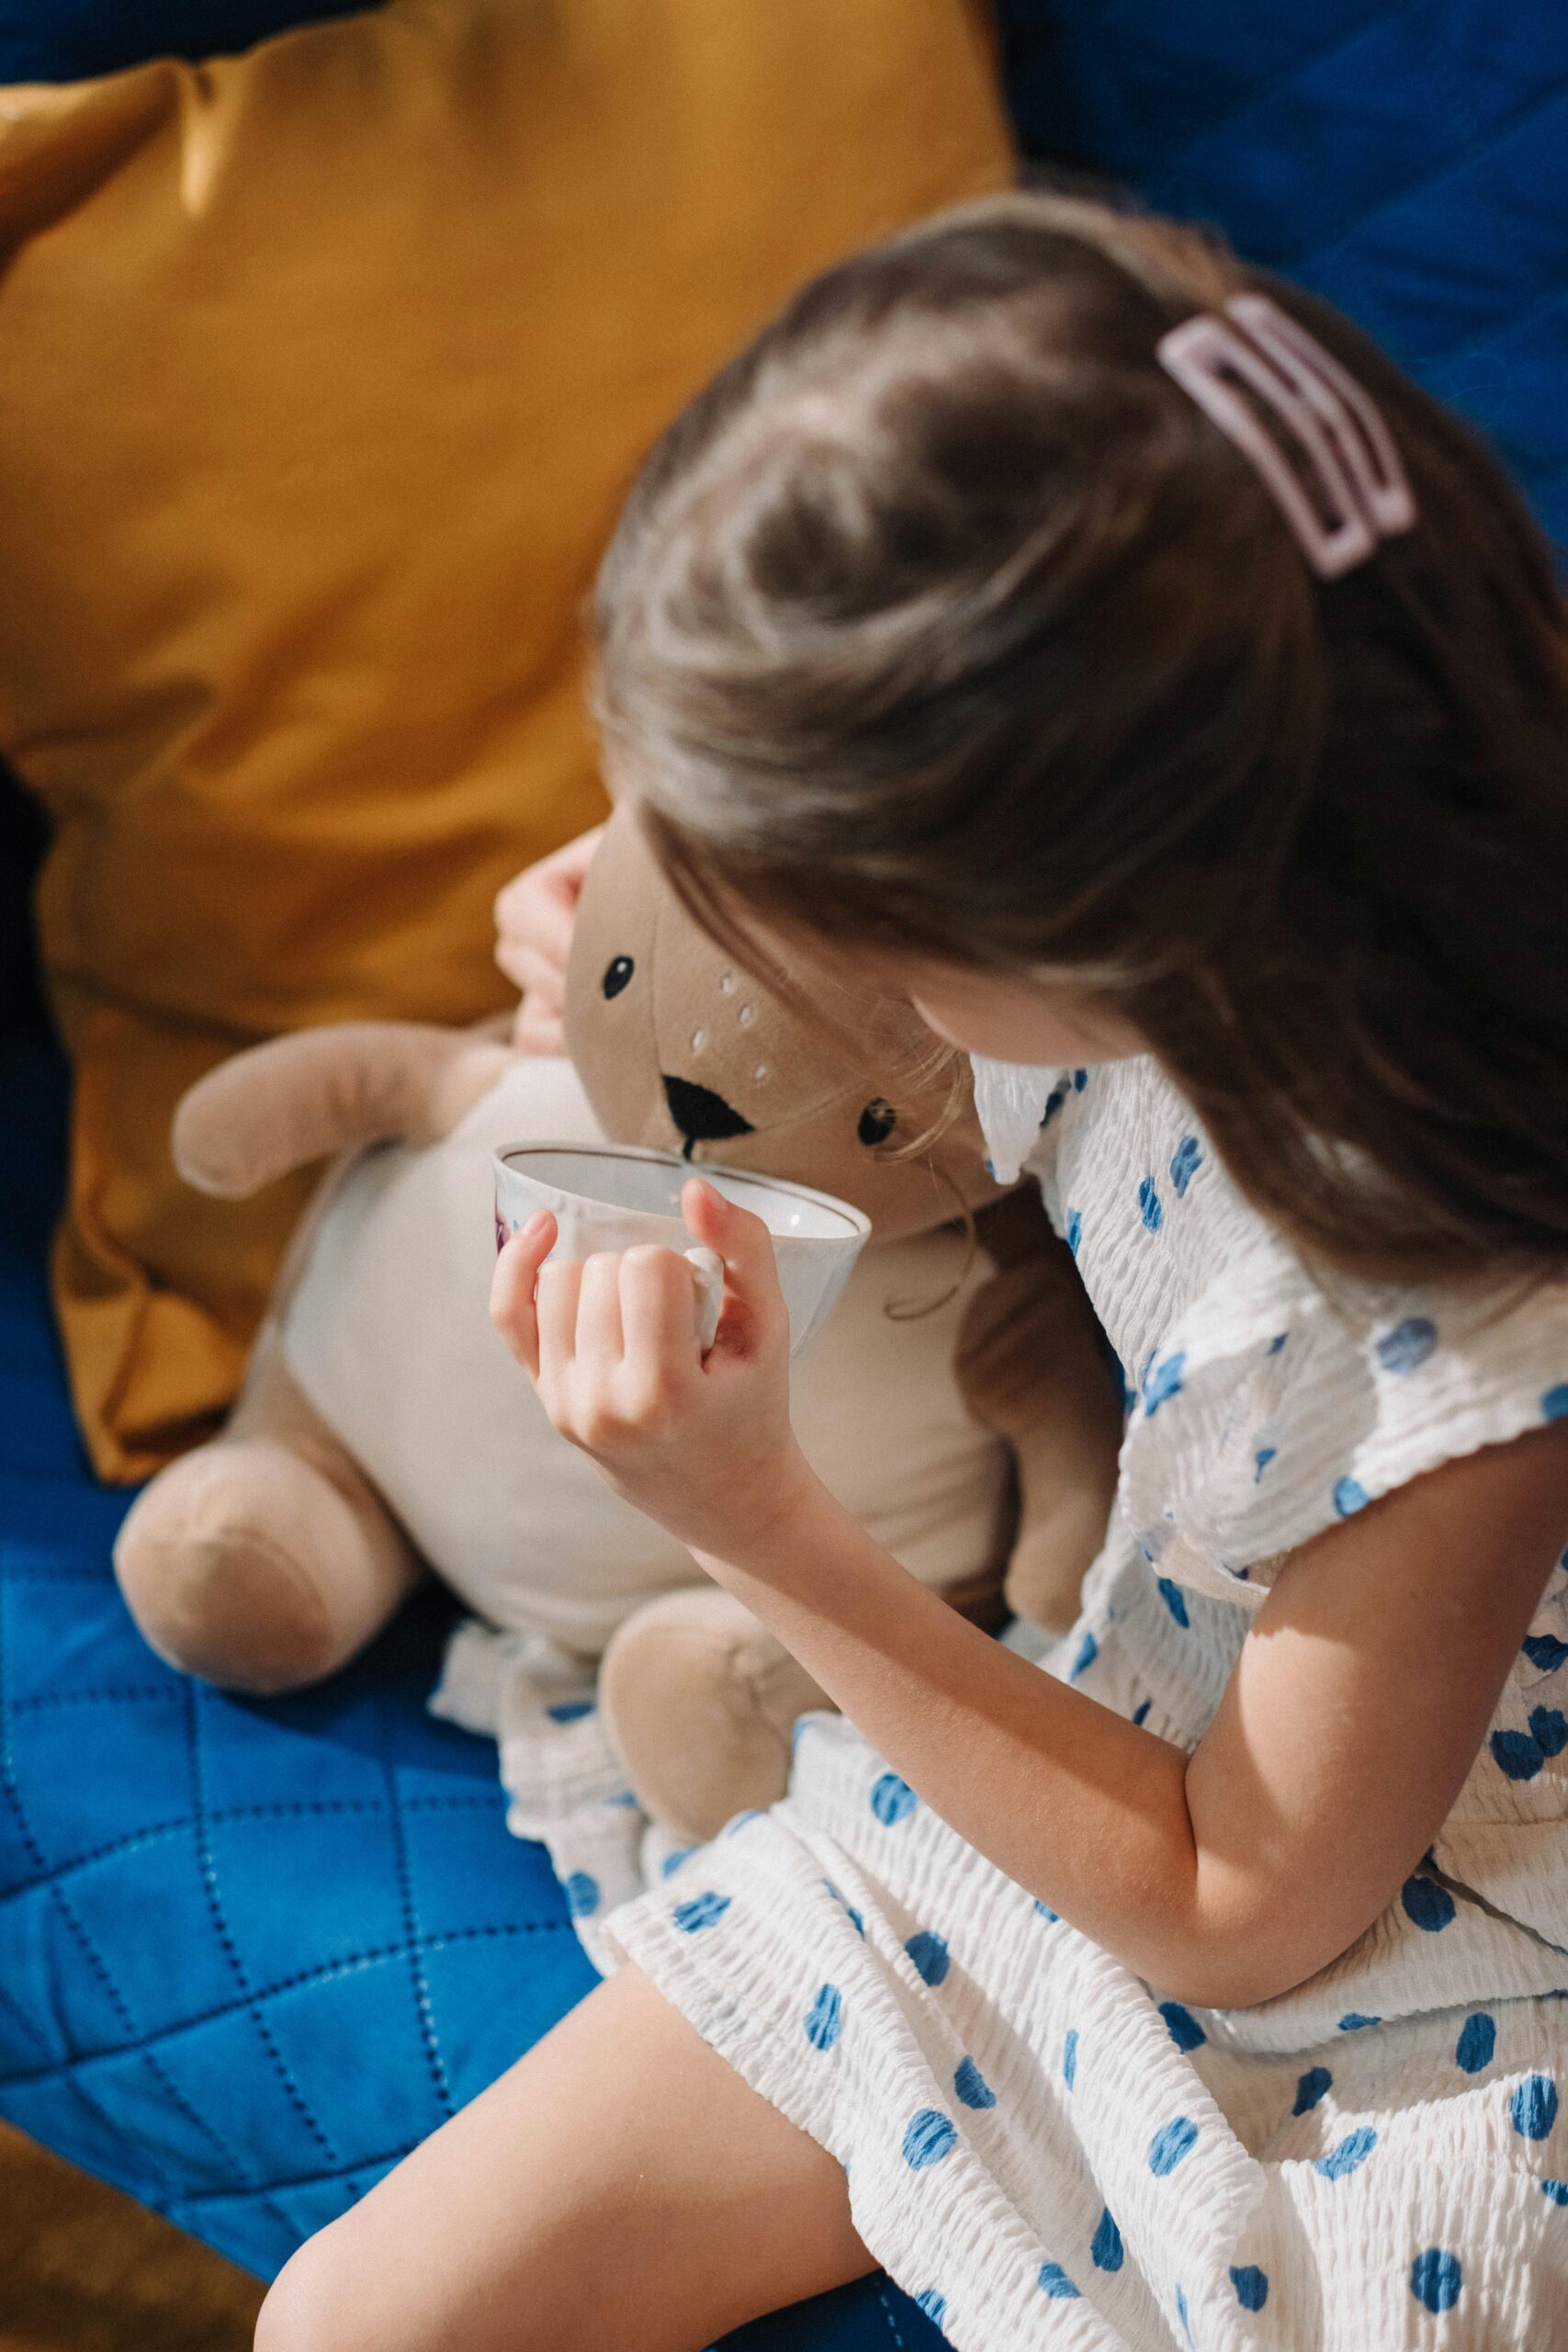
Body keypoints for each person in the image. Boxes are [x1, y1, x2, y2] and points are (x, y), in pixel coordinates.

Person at [256, 193, 1568, 2352]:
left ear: (1080, 920)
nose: (761, 928)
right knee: (355, 2325)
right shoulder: (1261, 758)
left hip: (1408, 1926)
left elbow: (1241, 1902)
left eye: (827, 914)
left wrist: (743, 1513)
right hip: (1109, 1697)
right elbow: (972, 1086)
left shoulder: (1456, 1318)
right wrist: (664, 955)